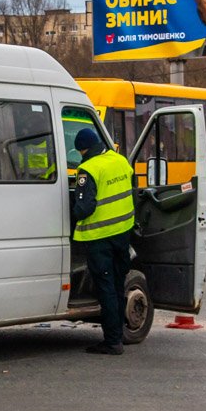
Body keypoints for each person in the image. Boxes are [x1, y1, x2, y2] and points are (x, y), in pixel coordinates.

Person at [70, 128, 135, 356]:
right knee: (118, 285)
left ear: (83, 149)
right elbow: (131, 191)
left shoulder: (87, 169)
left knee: (105, 288)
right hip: (122, 233)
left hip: (100, 238)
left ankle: (112, 341)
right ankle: (118, 335)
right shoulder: (120, 161)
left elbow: (84, 207)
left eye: (80, 151)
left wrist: (71, 213)